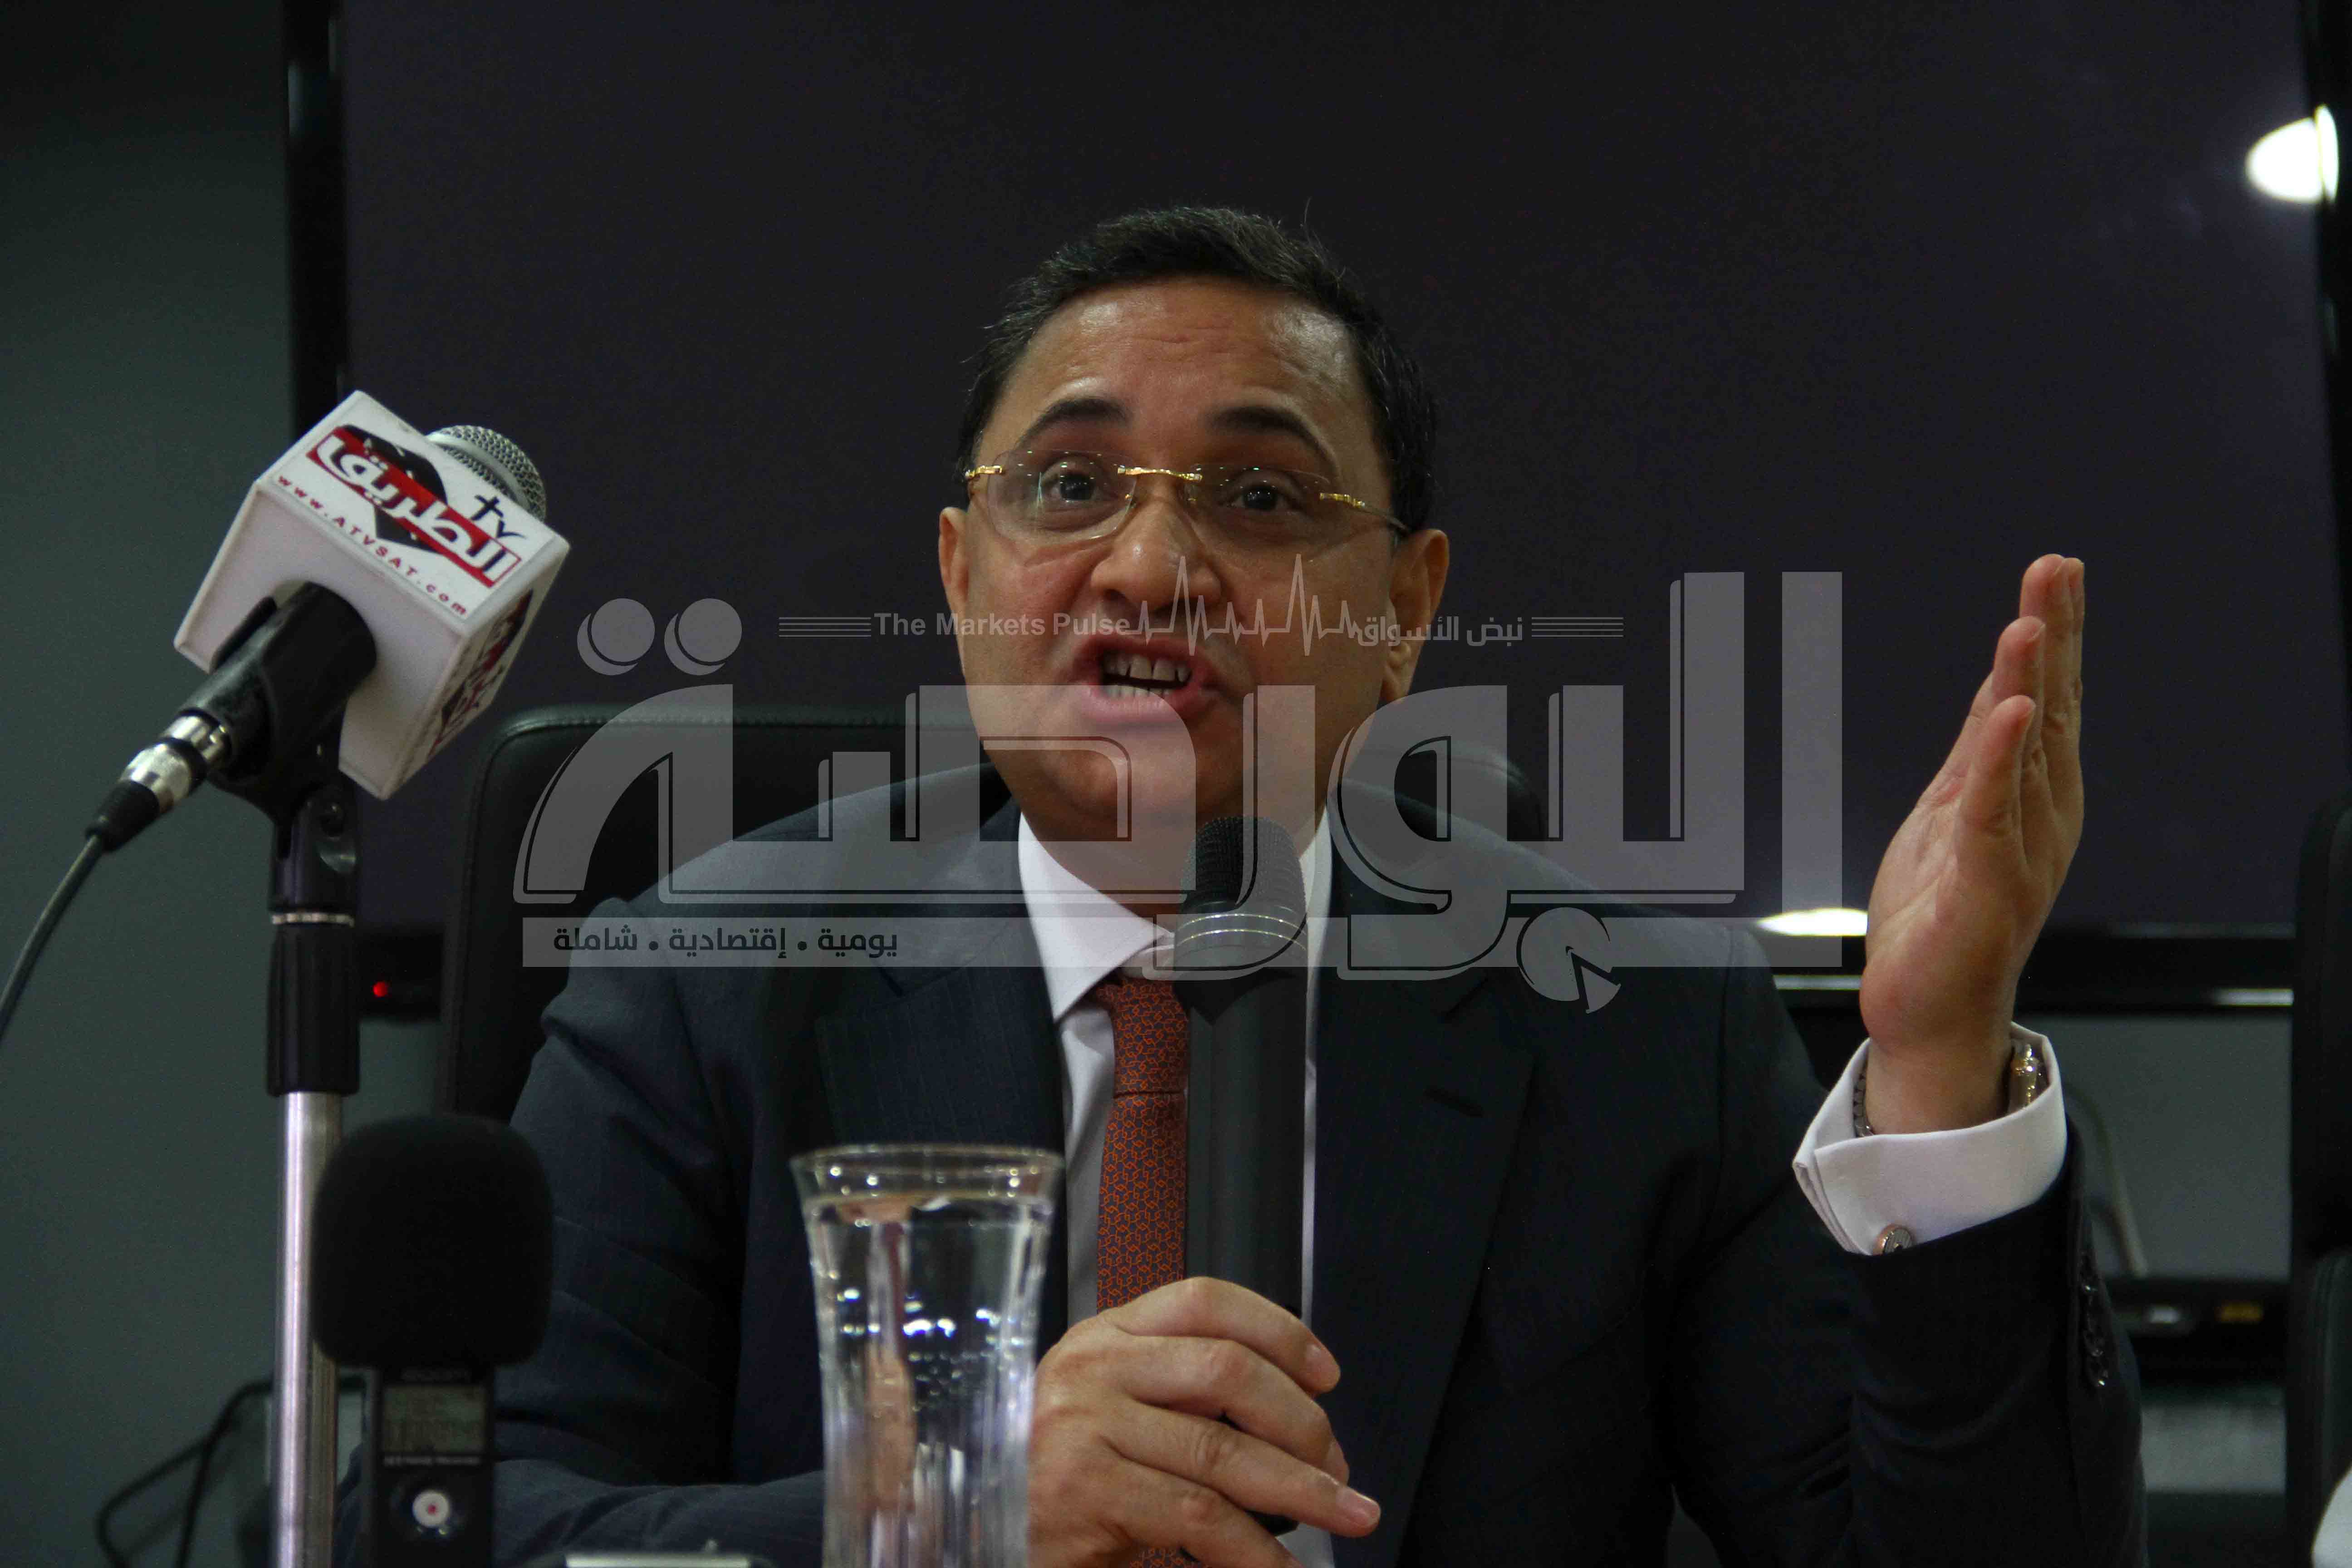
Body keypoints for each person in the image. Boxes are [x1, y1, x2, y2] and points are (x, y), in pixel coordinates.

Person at [425, 207, 2139, 1567]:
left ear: (1405, 612)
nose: (1152, 566)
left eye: (1259, 496)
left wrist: (1936, 1066)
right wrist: (950, 1517)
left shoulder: (1638, 1027)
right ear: (962, 574)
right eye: (1070, 486)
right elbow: (469, 1526)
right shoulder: (708, 978)